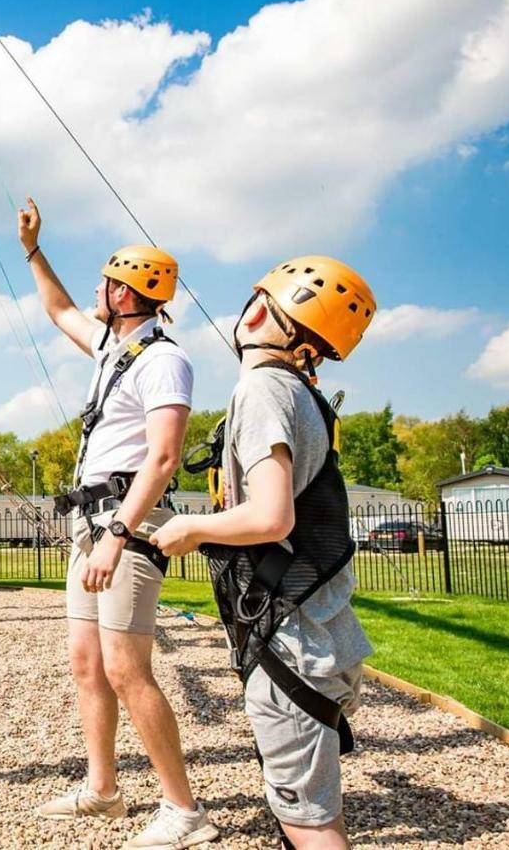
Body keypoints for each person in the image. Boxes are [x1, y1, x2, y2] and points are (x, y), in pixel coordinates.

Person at [151, 256, 378, 850]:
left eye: (256, 299)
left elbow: (271, 516)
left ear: (258, 311)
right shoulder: (301, 395)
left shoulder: (261, 389)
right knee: (306, 805)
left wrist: (188, 530)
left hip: (293, 643)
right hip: (320, 631)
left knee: (310, 823)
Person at [19, 198, 218, 848]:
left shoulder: (164, 361)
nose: (95, 291)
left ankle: (184, 812)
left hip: (125, 524)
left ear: (126, 292)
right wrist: (32, 251)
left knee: (127, 667)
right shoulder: (114, 347)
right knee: (86, 662)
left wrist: (117, 535)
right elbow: (57, 310)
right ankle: (102, 791)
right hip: (93, 520)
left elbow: (162, 456)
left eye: (105, 282)